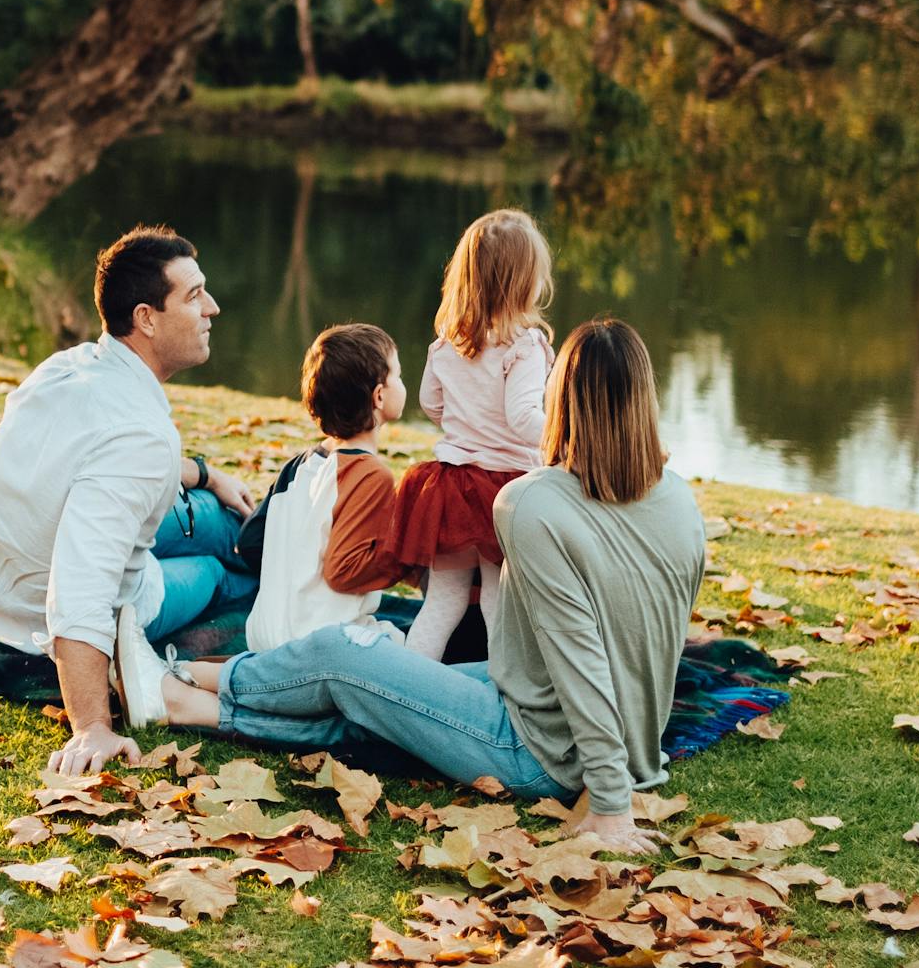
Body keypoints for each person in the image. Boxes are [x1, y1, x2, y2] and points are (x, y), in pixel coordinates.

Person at [140, 318, 704, 855]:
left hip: (539, 748)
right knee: (379, 695)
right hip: (598, 725)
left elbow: (580, 653)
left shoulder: (533, 502)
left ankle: (186, 682)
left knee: (348, 653)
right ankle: (194, 704)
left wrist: (609, 801)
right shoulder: (679, 498)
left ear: (561, 402)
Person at [0, 225, 257, 775]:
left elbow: (101, 462)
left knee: (216, 515)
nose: (212, 307)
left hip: (4, 575)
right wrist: (92, 728)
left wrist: (207, 475)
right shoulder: (138, 438)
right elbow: (82, 586)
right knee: (214, 573)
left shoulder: (70, 367)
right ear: (146, 318)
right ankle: (269, 581)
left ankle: (264, 543)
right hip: (41, 603)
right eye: (193, 297)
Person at [393, 208, 555, 659]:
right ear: (523, 282)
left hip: (449, 484)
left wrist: (465, 424)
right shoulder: (524, 347)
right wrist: (562, 440)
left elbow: (431, 404)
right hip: (502, 490)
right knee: (498, 600)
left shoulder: (447, 344)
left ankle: (410, 683)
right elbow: (524, 417)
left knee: (441, 601)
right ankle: (502, 689)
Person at [235, 324, 410, 651]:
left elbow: (250, 542)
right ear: (379, 395)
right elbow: (344, 571)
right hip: (319, 646)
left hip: (262, 637)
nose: (403, 382)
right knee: (407, 642)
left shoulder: (298, 465)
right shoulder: (371, 475)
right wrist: (409, 554)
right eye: (398, 375)